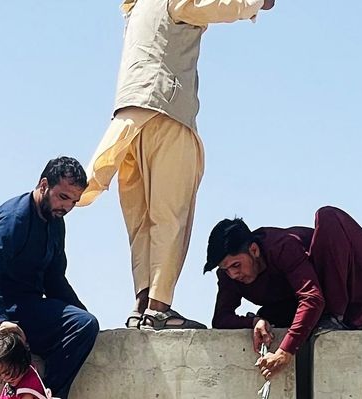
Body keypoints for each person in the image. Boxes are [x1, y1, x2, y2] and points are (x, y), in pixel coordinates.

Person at [77, 0, 277, 330]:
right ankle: (158, 309)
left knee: (140, 223)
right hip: (167, 112)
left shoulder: (134, 9)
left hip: (129, 117)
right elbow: (219, 5)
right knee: (170, 217)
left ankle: (140, 306)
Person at [0, 156, 99, 399]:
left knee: (85, 324)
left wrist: (82, 314)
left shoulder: (55, 221)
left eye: (74, 202)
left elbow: (54, 279)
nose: (66, 207)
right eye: (63, 197)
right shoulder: (15, 218)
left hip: (24, 305)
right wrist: (2, 322)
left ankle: (47, 393)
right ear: (43, 185)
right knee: (82, 324)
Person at [205, 206, 362, 380]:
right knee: (269, 316)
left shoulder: (281, 246)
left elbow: (312, 298)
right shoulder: (229, 276)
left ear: (254, 250)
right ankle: (338, 319)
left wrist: (284, 352)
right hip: (309, 304)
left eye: (236, 265)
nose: (233, 274)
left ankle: (338, 317)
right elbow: (221, 319)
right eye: (226, 269)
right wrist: (254, 322)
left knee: (327, 215)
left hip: (361, 278)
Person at [0, 332, 55, 399]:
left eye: (7, 373)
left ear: (22, 362)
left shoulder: (27, 392)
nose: (4, 379)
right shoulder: (19, 376)